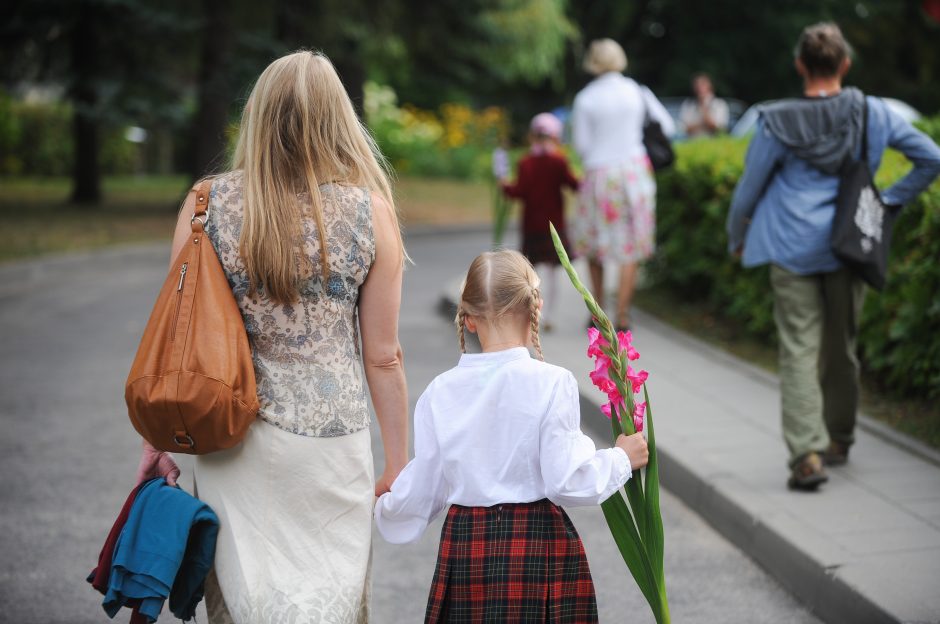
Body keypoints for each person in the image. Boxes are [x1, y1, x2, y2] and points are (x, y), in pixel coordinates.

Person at [133, 51, 410, 622]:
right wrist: (398, 462)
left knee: (245, 600)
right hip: (334, 445)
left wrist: (157, 442)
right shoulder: (370, 212)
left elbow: (177, 342)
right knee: (329, 602)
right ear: (338, 118)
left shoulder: (206, 204)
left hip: (232, 436)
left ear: (257, 115)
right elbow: (384, 357)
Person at [374, 250, 649, 623]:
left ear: (468, 320)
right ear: (536, 304)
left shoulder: (441, 391)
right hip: (538, 544)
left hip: (467, 548)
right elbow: (566, 481)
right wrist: (620, 458)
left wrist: (386, 507)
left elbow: (426, 485)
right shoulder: (553, 382)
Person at [726, 23, 940, 491]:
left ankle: (806, 454)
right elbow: (931, 158)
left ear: (801, 65)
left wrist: (734, 235)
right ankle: (839, 439)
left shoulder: (776, 120)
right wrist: (887, 205)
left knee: (799, 348)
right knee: (841, 345)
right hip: (850, 244)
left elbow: (749, 190)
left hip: (789, 245)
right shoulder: (873, 112)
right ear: (844, 64)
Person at [571, 38, 675, 331]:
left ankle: (598, 312)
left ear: (592, 62)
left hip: (599, 175)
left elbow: (581, 145)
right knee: (631, 247)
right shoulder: (636, 91)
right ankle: (624, 315)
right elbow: (667, 126)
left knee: (595, 247)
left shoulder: (585, 98)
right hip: (633, 173)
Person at [500, 112, 579, 331]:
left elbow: (519, 191)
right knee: (554, 272)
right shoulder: (559, 161)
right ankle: (550, 315)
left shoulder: (526, 163)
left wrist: (504, 185)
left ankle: (534, 313)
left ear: (532, 136)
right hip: (555, 226)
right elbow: (574, 185)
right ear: (556, 136)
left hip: (532, 226)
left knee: (531, 273)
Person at [679, 72, 730, 138]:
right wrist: (702, 124)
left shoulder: (719, 104)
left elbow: (719, 129)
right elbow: (683, 129)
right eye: (697, 86)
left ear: (710, 86)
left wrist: (703, 109)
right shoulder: (688, 104)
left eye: (702, 85)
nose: (699, 88)